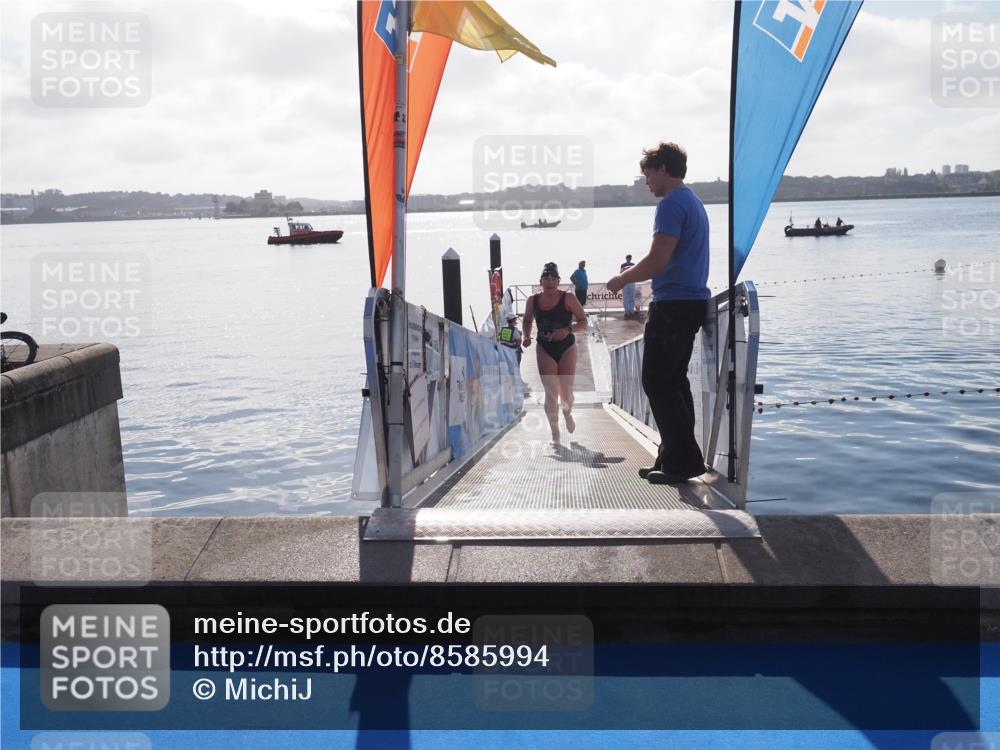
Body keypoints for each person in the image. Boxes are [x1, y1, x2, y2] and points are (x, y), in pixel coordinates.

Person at [607, 141, 709, 484]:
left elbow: (657, 261)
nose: (646, 181)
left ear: (662, 169)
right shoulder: (692, 201)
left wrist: (622, 279)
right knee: (674, 383)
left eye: (647, 174)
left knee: (657, 381)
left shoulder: (671, 205)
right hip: (691, 302)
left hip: (674, 305)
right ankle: (672, 457)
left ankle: (682, 462)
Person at [523, 262, 588, 443]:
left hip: (567, 347)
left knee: (566, 393)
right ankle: (555, 432)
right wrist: (526, 336)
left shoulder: (568, 298)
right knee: (551, 393)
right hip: (545, 348)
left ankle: (567, 413)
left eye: (553, 278)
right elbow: (527, 321)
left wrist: (567, 331)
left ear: (558, 281)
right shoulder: (532, 300)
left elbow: (583, 321)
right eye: (546, 278)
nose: (550, 281)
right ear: (541, 281)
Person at [620, 254, 637, 318]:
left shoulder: (633, 265)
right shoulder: (623, 265)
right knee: (625, 297)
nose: (628, 259)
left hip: (631, 281)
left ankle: (631, 310)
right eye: (627, 258)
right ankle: (626, 311)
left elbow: (635, 272)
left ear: (630, 258)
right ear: (626, 258)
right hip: (625, 282)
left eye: (629, 258)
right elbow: (620, 273)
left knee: (631, 297)